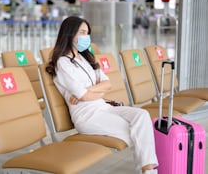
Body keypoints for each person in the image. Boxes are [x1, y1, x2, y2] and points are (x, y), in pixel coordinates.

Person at [46, 16, 158, 174]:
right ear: (70, 34)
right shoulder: (63, 63)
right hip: (88, 116)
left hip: (103, 107)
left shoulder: (86, 58)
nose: (87, 37)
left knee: (141, 116)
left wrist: (88, 91)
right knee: (136, 132)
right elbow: (84, 96)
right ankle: (149, 171)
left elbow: (108, 84)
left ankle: (148, 170)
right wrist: (93, 91)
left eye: (88, 33)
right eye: (83, 32)